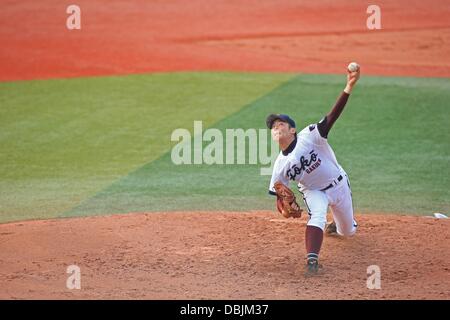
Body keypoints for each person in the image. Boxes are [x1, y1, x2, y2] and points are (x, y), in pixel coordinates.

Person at [267, 66, 361, 275]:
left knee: (349, 231)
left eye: (280, 124)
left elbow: (331, 117)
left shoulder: (310, 136)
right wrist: (283, 208)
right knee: (316, 216)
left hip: (339, 184)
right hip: (313, 191)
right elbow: (279, 195)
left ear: (292, 129)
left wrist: (348, 87)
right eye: (273, 127)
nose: (276, 128)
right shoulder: (279, 166)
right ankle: (312, 261)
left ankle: (339, 225)